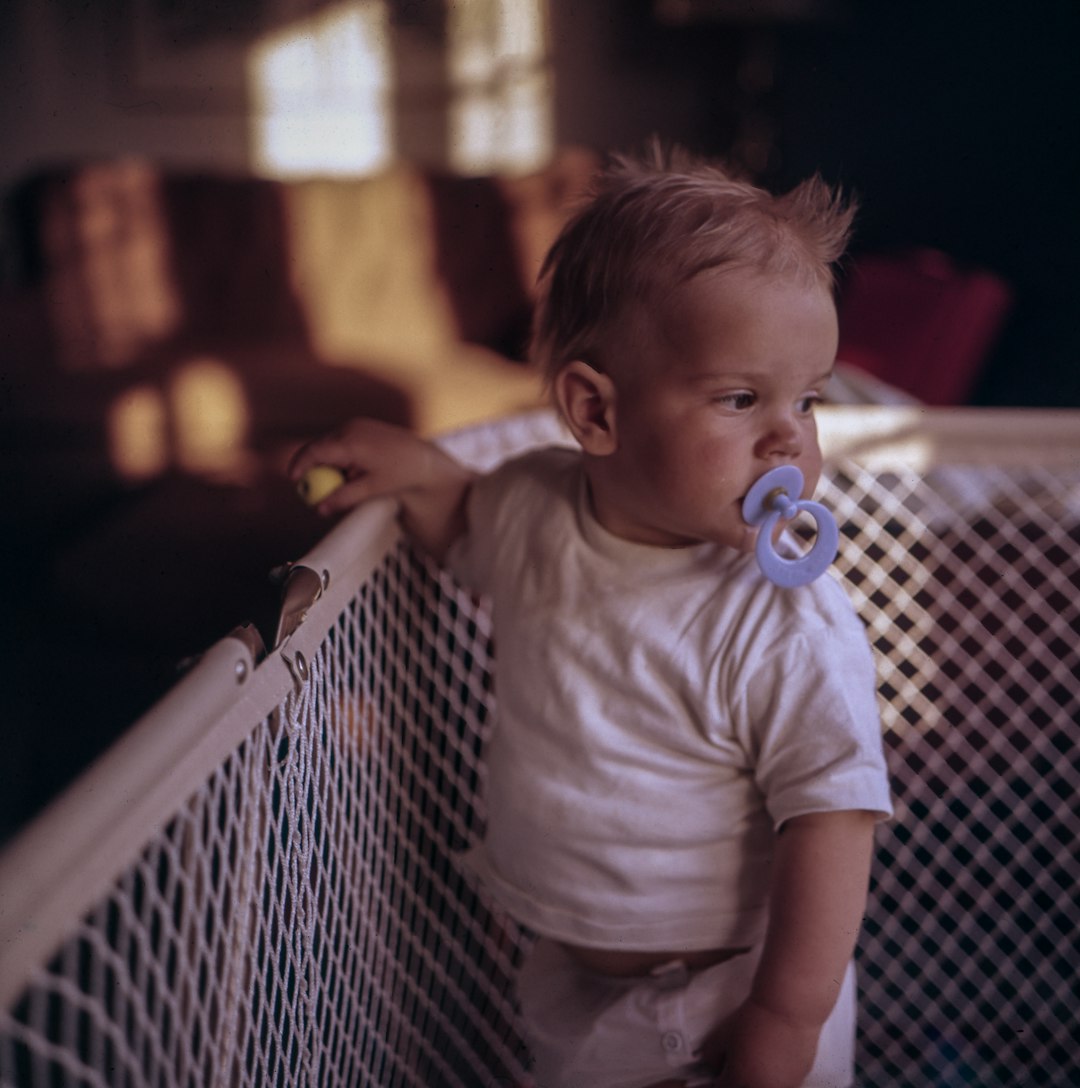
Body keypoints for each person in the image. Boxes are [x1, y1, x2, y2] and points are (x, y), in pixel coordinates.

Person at [288, 146, 893, 1088]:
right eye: (741, 398)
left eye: (806, 400)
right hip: (570, 975)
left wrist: (786, 1017)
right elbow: (462, 528)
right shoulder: (533, 506)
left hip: (736, 996)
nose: (790, 439)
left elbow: (832, 819)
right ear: (594, 412)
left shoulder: (781, 619)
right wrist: (416, 467)